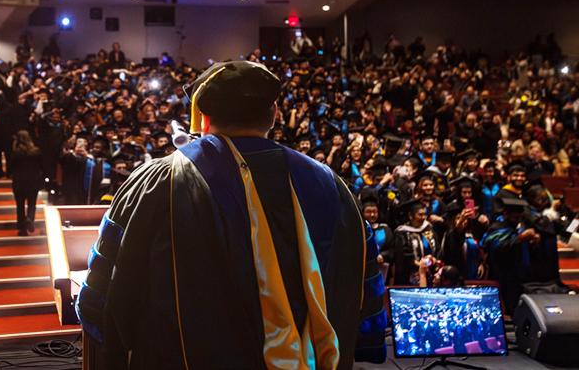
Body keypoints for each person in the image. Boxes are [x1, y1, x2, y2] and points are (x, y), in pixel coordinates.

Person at [77, 61, 386, 369]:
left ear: (204, 118)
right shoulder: (332, 185)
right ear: (274, 114)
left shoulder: (160, 180)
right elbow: (363, 285)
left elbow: (104, 297)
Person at [10, 130, 44, 236]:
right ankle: (30, 219)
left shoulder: (16, 152)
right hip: (33, 181)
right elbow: (41, 166)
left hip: (19, 182)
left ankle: (22, 228)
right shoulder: (36, 151)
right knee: (32, 204)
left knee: (20, 206)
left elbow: (11, 167)